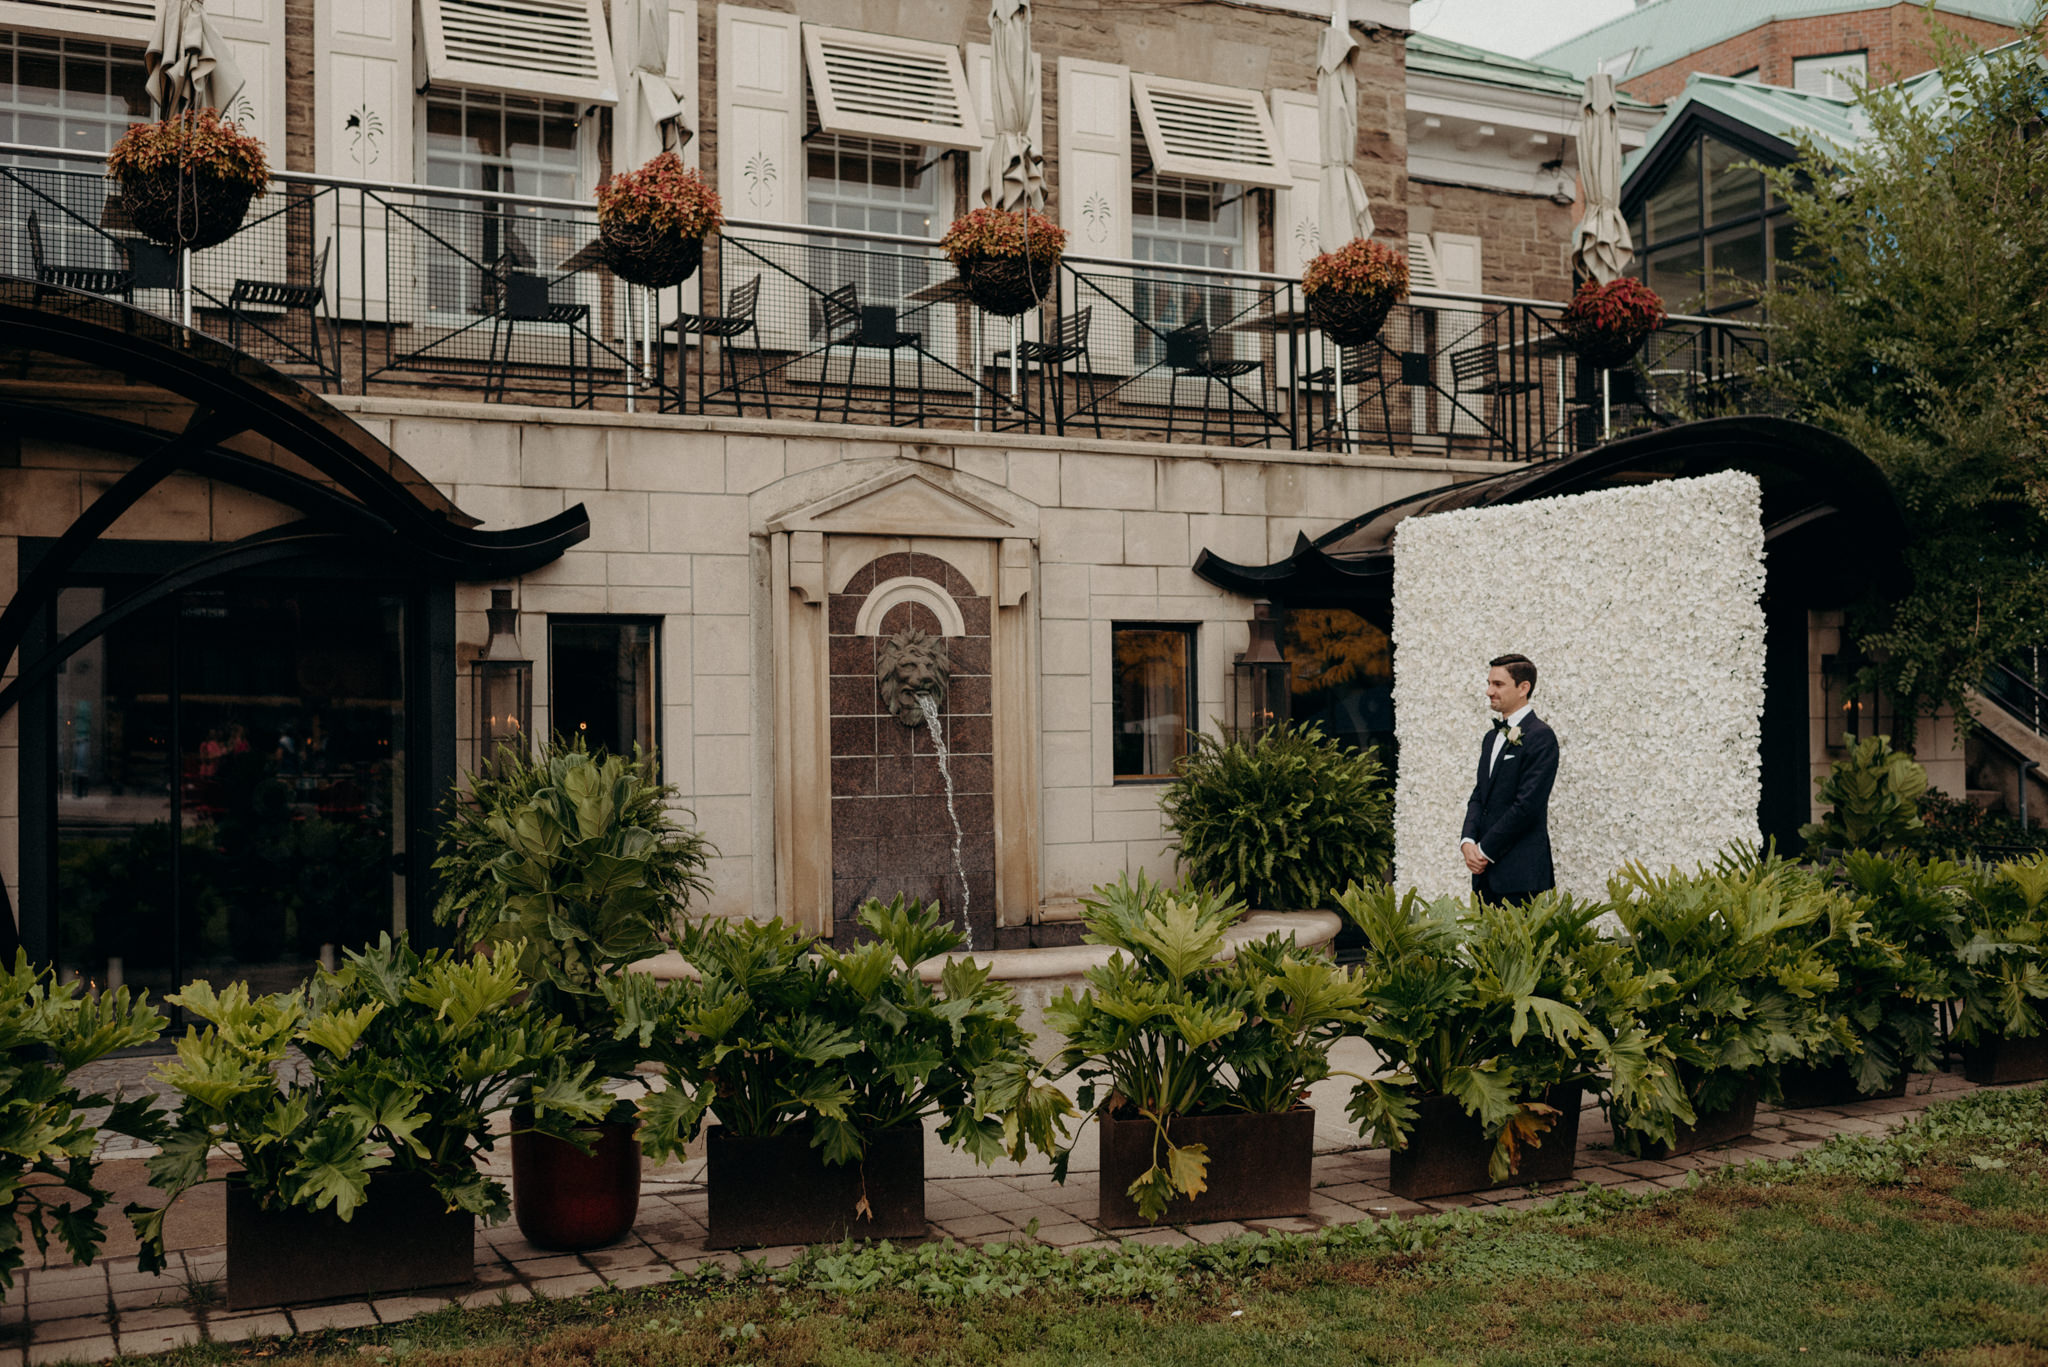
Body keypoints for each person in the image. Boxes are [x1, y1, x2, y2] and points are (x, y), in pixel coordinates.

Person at [1459, 653, 1559, 905]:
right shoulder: (1491, 738)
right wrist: (1468, 842)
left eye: (1498, 684)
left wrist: (1483, 850)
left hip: (1520, 875)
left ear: (1523, 688)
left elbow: (1527, 806)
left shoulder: (1541, 737)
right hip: (1484, 876)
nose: (1488, 691)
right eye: (1489, 682)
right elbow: (1480, 794)